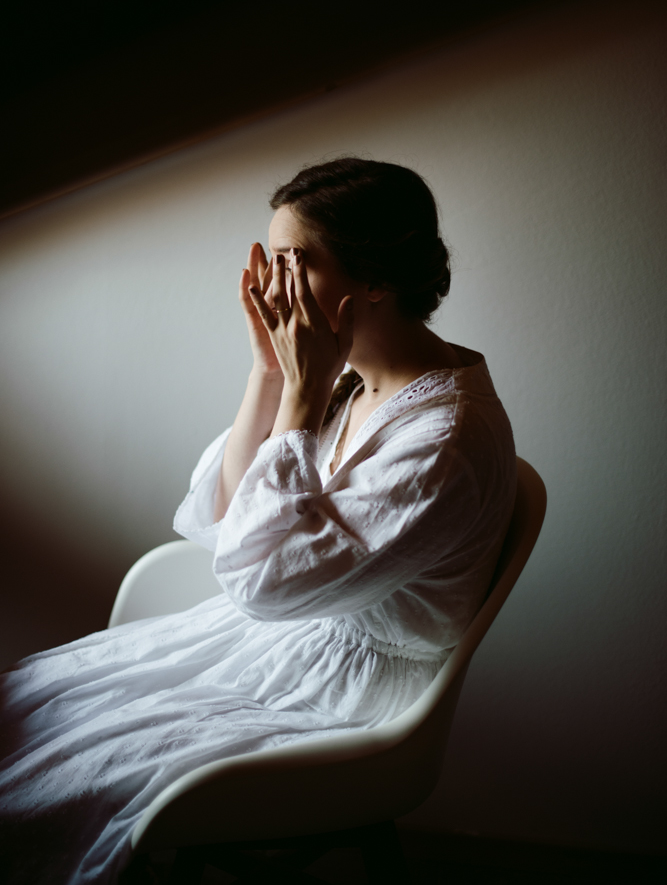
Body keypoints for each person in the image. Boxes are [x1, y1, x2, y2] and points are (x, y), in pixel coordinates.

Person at [0, 158, 516, 884]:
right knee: (28, 707)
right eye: (267, 260)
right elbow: (226, 519)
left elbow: (263, 579)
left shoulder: (444, 442)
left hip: (345, 697)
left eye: (291, 262)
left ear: (373, 280)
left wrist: (301, 400)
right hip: (272, 639)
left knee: (56, 785)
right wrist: (271, 376)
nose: (271, 286)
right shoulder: (350, 384)